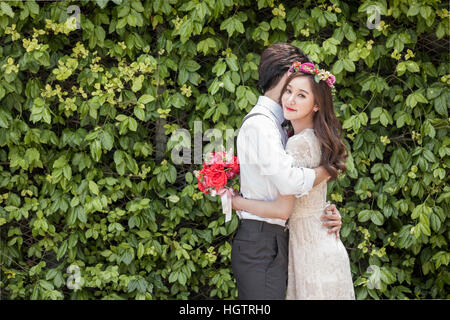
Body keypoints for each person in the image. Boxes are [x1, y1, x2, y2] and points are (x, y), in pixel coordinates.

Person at [232, 60, 355, 299]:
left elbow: (282, 208)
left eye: (301, 95)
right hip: (321, 243)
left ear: (317, 104)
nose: (290, 100)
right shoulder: (313, 138)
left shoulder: (297, 143)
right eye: (288, 91)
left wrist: (236, 202)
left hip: (310, 248)